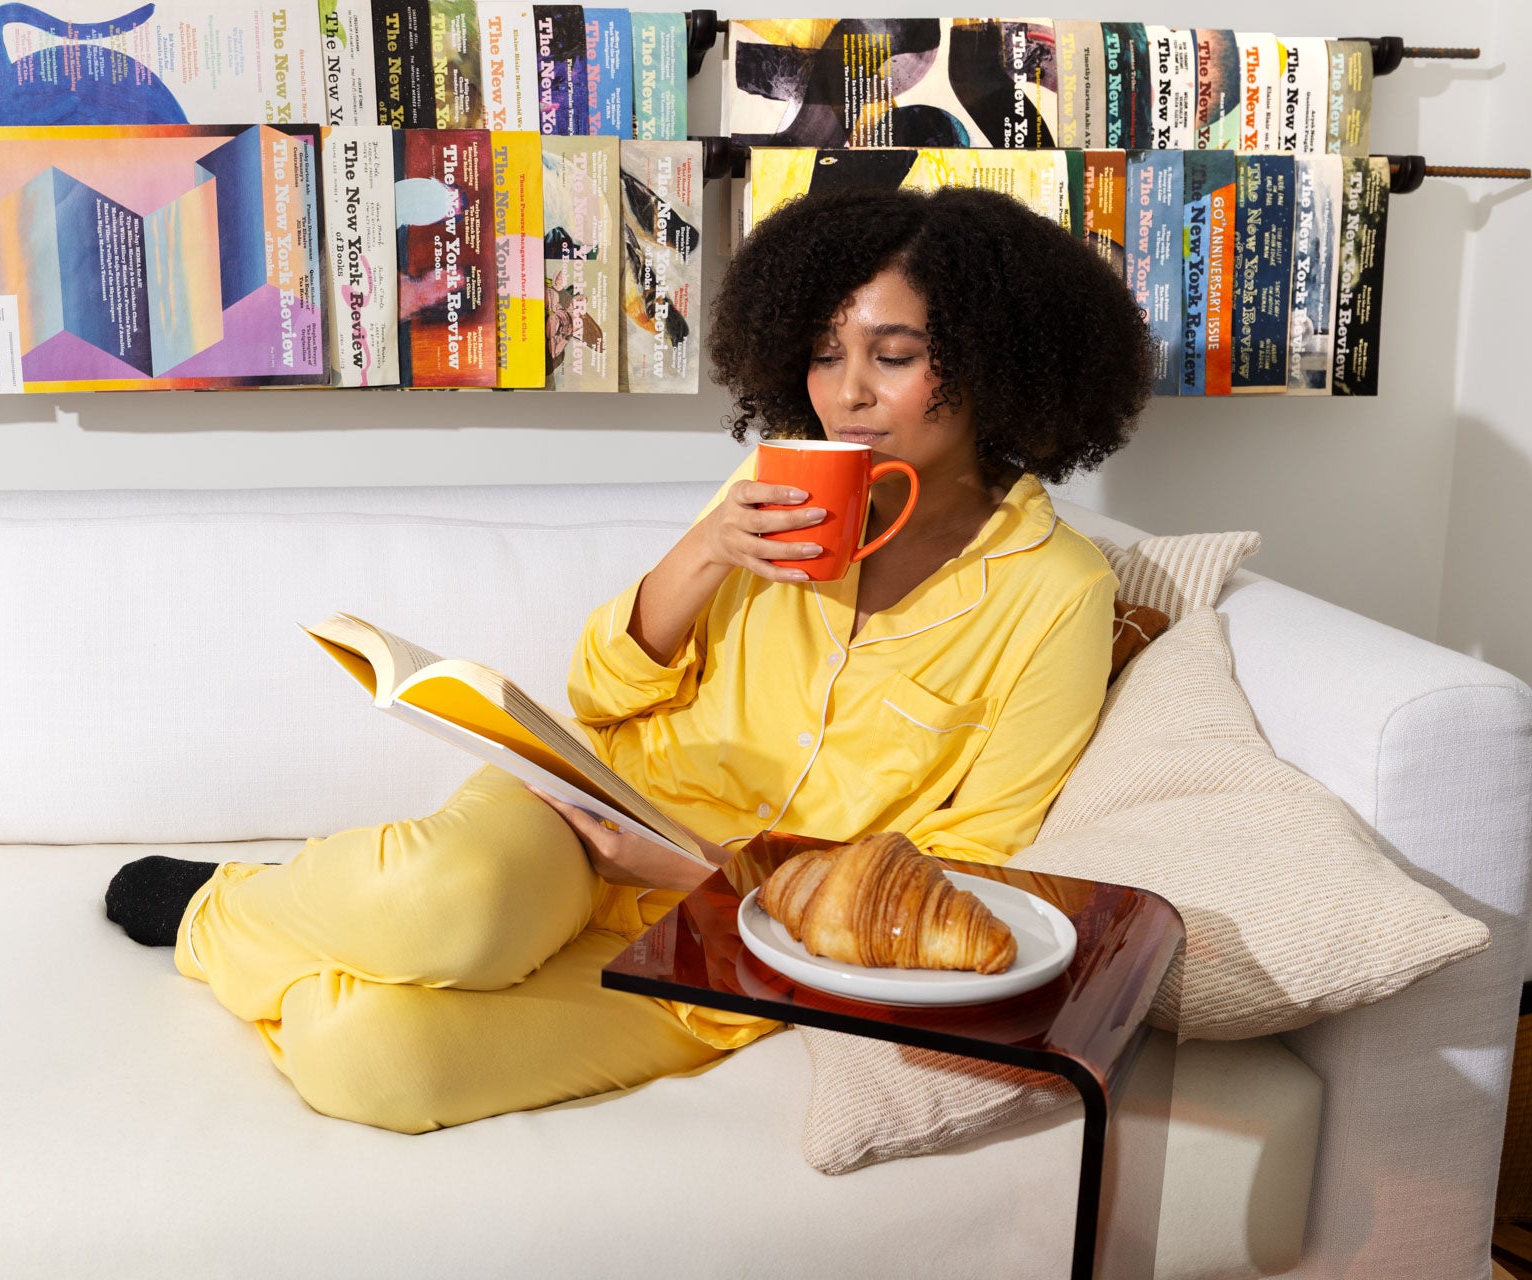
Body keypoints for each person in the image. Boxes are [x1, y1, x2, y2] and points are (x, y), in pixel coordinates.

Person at [103, 184, 1155, 1134]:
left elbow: (970, 863)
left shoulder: (1055, 591)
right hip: (591, 809)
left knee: (372, 1057)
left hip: (734, 941)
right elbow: (597, 690)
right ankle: (224, 904)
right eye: (826, 352)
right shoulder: (774, 492)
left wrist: (706, 873)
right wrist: (706, 550)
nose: (848, 393)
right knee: (442, 901)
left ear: (994, 358)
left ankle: (296, 925)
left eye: (894, 353)